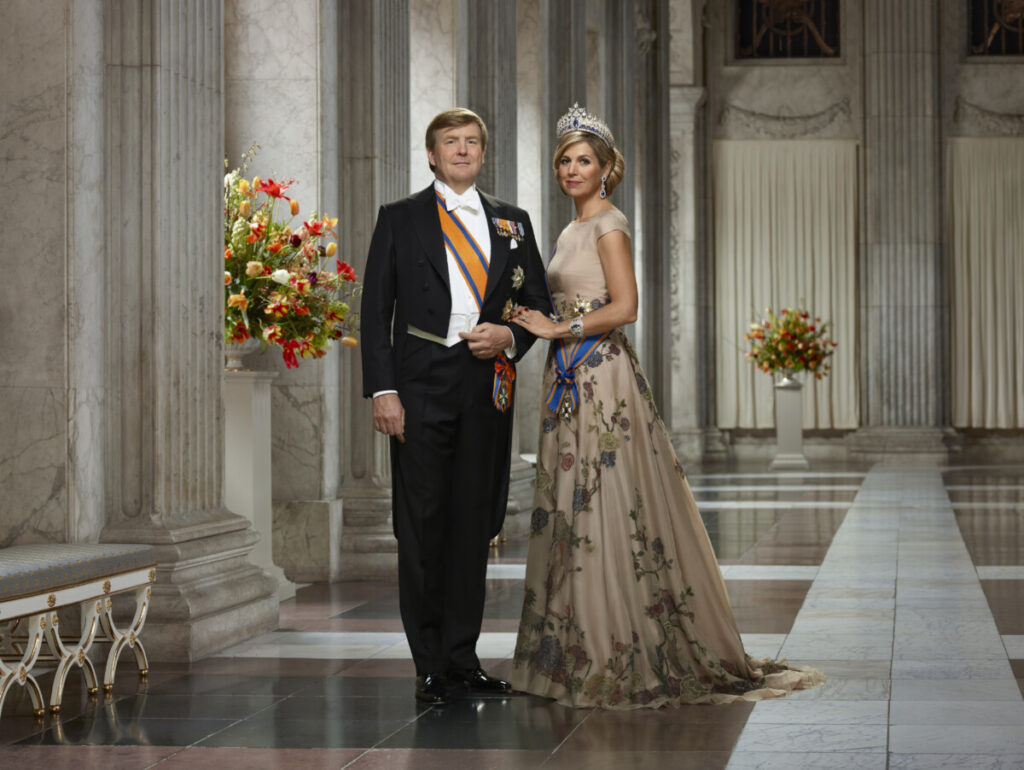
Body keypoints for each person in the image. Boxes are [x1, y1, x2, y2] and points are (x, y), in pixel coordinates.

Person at [508, 104, 824, 708]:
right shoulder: (567, 230)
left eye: (584, 161)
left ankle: (611, 654)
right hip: (565, 383)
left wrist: (559, 331)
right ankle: (567, 653)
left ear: (606, 170)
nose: (573, 170)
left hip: (602, 379)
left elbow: (625, 306)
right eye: (565, 161)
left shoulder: (609, 222)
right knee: (568, 509)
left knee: (604, 507)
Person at [361, 108, 552, 706]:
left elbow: (538, 303)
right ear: (432, 154)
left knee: (476, 520)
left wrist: (511, 339)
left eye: (472, 142)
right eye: (452, 142)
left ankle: (463, 659)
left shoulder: (513, 223)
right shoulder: (400, 218)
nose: (463, 151)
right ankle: (428, 665)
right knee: (422, 525)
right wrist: (382, 390)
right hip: (418, 384)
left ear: (482, 153)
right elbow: (374, 312)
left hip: (485, 383)